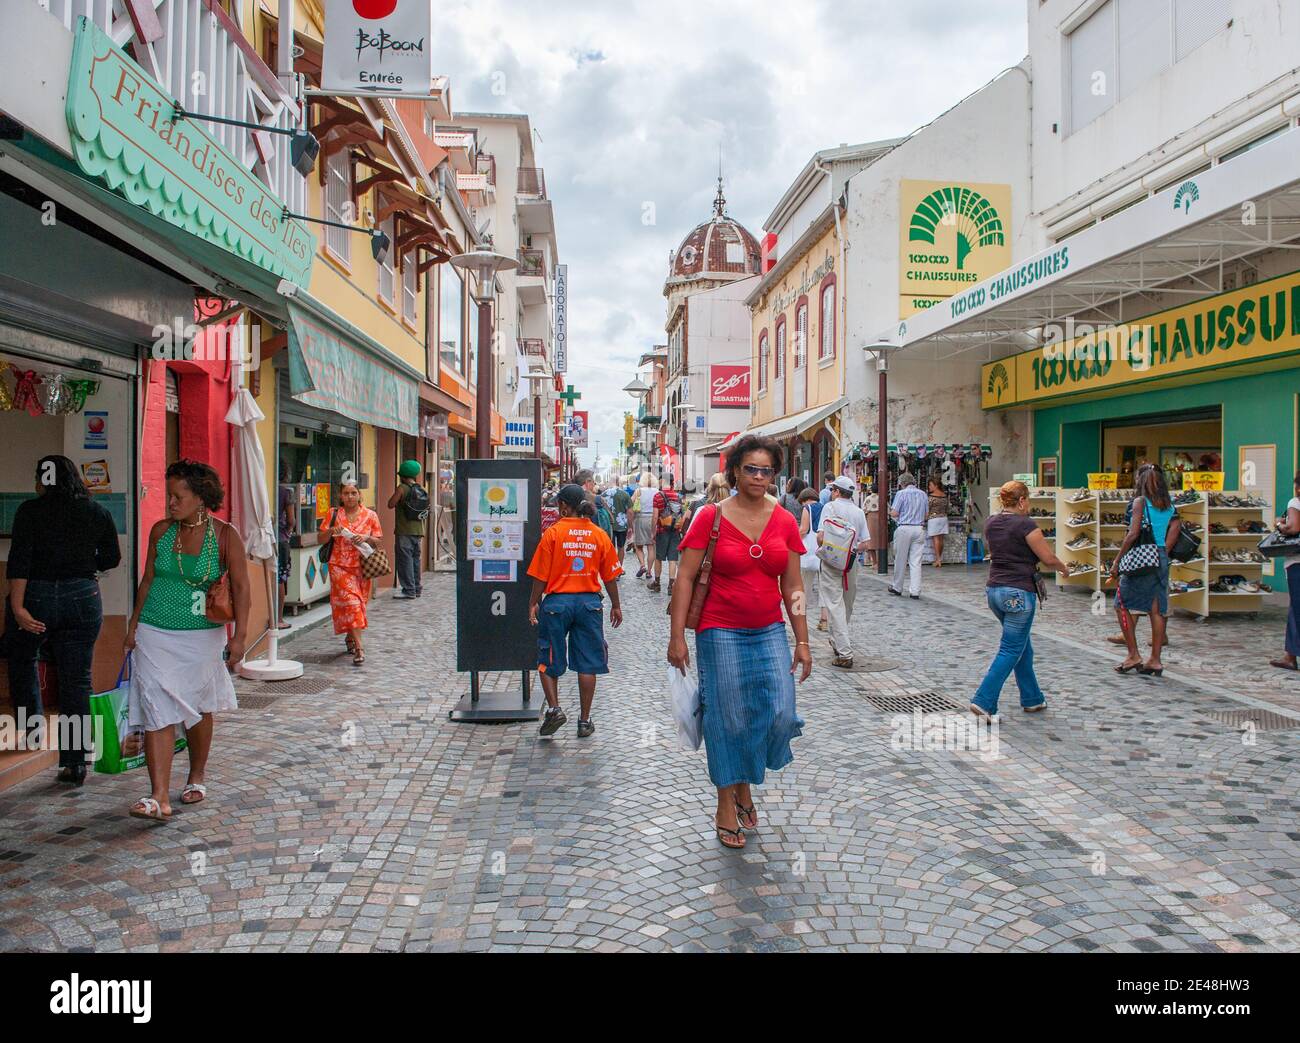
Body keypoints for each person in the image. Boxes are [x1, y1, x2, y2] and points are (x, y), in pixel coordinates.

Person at [668, 435, 811, 851]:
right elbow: (685, 578)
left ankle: (743, 783)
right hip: (719, 629)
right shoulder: (709, 517)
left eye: (767, 470)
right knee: (728, 719)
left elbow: (794, 583)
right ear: (734, 471)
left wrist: (802, 639)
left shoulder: (784, 519)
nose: (759, 477)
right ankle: (726, 803)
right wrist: (677, 637)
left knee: (780, 712)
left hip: (768, 629)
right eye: (751, 469)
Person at [124, 460, 250, 820]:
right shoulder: (161, 531)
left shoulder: (225, 536)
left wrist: (239, 637)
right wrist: (133, 627)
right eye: (169, 496)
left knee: (197, 705)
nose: (170, 503)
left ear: (200, 498)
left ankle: (196, 774)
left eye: (177, 496)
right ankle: (158, 796)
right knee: (157, 704)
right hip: (154, 631)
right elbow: (147, 580)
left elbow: (241, 588)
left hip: (201, 636)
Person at [6, 455, 122, 785]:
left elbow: (19, 562)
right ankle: (75, 762)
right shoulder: (95, 511)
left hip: (36, 597)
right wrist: (86, 567)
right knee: (76, 679)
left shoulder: (29, 511)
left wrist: (18, 608)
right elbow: (112, 557)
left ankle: (31, 734)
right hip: (82, 598)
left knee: (23, 659)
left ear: (44, 479)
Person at [527, 484, 623, 738]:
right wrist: (616, 604)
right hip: (589, 603)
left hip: (557, 604)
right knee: (588, 662)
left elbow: (539, 576)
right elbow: (611, 576)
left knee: (548, 658)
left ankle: (555, 709)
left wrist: (533, 602)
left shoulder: (553, 533)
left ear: (563, 506)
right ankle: (584, 720)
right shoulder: (598, 534)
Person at [970, 481, 1071, 718]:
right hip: (1018, 592)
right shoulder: (1027, 525)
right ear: (1022, 500)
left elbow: (994, 552)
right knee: (1010, 648)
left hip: (994, 591)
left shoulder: (991, 523)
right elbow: (1047, 558)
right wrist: (1064, 569)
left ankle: (1032, 698)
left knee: (1022, 647)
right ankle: (984, 700)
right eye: (1028, 500)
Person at [1109, 464, 1180, 677]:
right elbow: (1176, 527)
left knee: (1120, 604)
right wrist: (1163, 550)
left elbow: (1133, 533)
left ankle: (1133, 654)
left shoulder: (1139, 502)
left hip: (1141, 556)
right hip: (1160, 556)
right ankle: (1155, 660)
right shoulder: (1168, 504)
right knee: (1156, 609)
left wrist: (1117, 561)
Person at [319, 481, 383, 666]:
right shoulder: (333, 514)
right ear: (340, 496)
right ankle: (359, 647)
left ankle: (350, 635)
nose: (350, 496)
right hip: (338, 566)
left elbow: (378, 541)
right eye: (346, 493)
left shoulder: (370, 516)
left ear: (359, 495)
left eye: (353, 493)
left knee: (359, 604)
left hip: (363, 567)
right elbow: (320, 538)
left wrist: (366, 538)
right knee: (352, 603)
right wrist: (331, 531)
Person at [818, 475, 868, 668]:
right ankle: (836, 640)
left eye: (832, 490)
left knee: (834, 604)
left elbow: (821, 537)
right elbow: (865, 543)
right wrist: (850, 549)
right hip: (851, 562)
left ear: (837, 491)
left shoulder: (830, 508)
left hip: (831, 562)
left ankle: (845, 652)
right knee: (847, 604)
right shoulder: (858, 512)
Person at [1270, 470, 1300, 671]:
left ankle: (1291, 655)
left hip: (1297, 561)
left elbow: (1294, 527)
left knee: (1296, 607)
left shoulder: (1295, 503)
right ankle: (1290, 653)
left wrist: (1280, 525)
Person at [386, 459, 428, 600]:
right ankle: (416, 588)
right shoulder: (421, 488)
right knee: (415, 560)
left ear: (402, 475)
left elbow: (390, 504)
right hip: (419, 530)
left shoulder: (402, 488)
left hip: (404, 530)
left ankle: (408, 590)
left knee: (405, 560)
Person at [888, 473, 929, 598]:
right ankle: (915, 591)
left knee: (900, 559)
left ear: (902, 483)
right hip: (919, 528)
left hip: (904, 527)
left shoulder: (901, 494)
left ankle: (897, 587)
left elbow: (894, 513)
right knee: (916, 561)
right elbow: (927, 515)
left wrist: (892, 512)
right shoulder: (923, 494)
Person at [797, 488, 826, 632]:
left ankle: (800, 617)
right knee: (824, 587)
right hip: (823, 552)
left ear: (804, 499)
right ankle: (824, 619)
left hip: (808, 553)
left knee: (803, 587)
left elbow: (803, 529)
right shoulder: (826, 507)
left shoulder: (807, 508)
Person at [650, 476, 684, 594]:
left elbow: (655, 516)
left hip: (661, 530)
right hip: (675, 531)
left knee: (658, 558)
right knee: (672, 559)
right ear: (672, 483)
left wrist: (652, 532)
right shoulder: (678, 496)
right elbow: (681, 514)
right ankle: (671, 586)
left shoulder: (658, 496)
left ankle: (657, 584)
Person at [276, 461, 295, 627]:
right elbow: (291, 519)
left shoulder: (267, 489)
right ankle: (279, 618)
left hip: (267, 538)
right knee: (280, 579)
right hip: (281, 539)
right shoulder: (286, 492)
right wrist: (288, 532)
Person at [631, 472, 658, 579]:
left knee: (638, 546)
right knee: (651, 546)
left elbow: (631, 502)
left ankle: (642, 565)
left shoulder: (638, 491)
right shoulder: (657, 491)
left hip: (640, 518)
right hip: (653, 519)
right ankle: (649, 572)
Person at [926, 478, 950, 568]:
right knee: (941, 539)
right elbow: (947, 508)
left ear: (936, 486)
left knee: (935, 539)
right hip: (943, 518)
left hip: (934, 519)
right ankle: (939, 558)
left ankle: (938, 560)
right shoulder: (944, 496)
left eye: (930, 485)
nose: (929, 487)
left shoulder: (931, 497)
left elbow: (927, 509)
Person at [610, 481, 632, 563]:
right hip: (622, 524)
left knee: (610, 547)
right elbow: (630, 511)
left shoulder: (604, 494)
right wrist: (630, 526)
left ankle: (612, 568)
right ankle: (619, 568)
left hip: (609, 525)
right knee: (621, 547)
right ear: (618, 482)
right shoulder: (625, 494)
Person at [862, 484, 882, 570]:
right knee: (880, 541)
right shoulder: (881, 498)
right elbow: (888, 509)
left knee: (871, 540)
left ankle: (874, 562)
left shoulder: (868, 498)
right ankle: (880, 562)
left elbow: (863, 509)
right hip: (880, 518)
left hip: (870, 518)